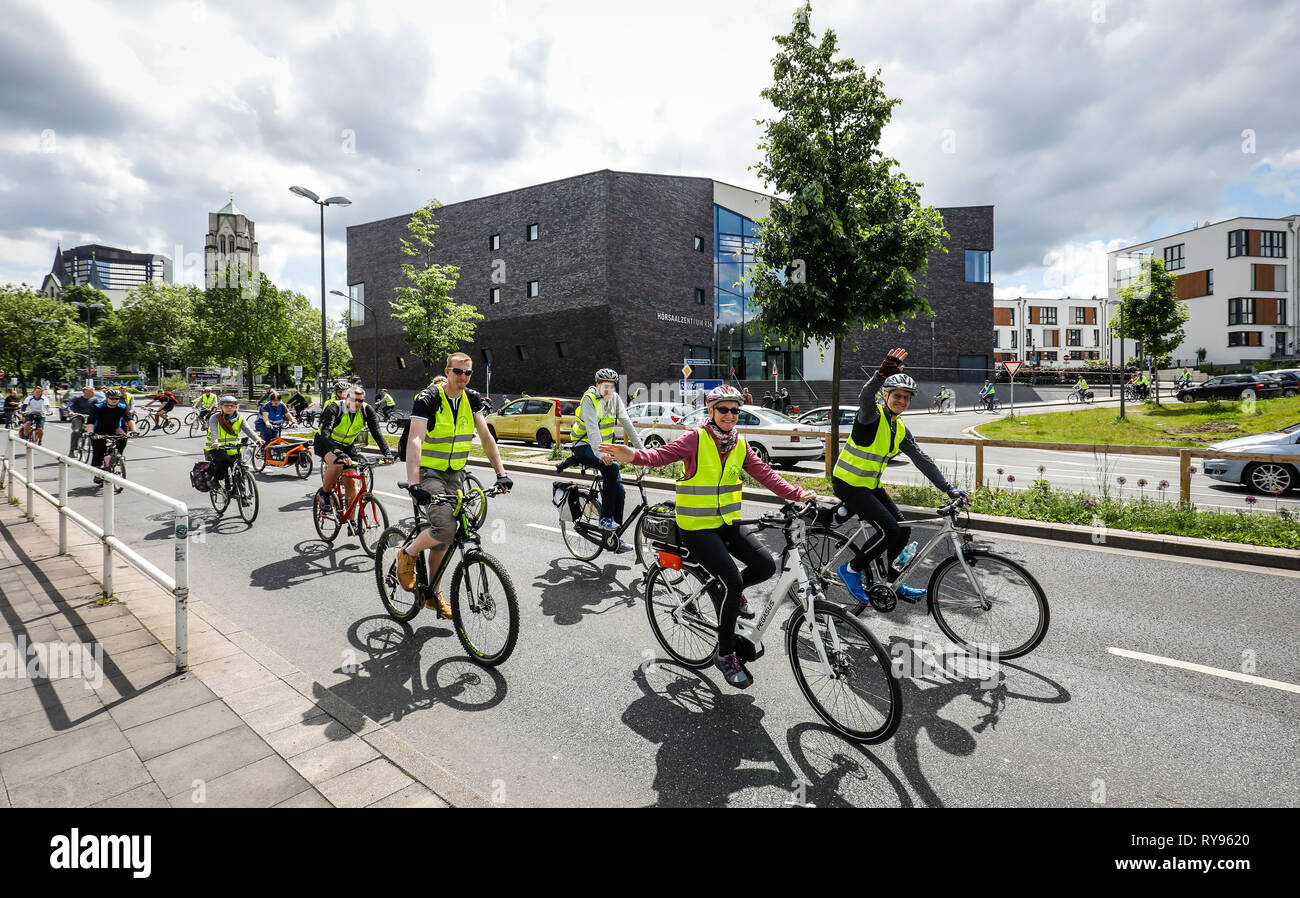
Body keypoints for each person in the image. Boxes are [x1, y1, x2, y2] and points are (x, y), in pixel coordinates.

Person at [602, 384, 816, 689]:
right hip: (697, 527)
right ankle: (725, 653)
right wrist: (631, 455)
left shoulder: (739, 444)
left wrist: (796, 494)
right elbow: (660, 456)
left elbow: (765, 474)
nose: (730, 415)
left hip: (727, 522)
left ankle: (726, 590)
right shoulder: (695, 438)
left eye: (735, 410)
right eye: (724, 409)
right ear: (712, 411)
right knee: (733, 581)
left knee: (766, 566)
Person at [832, 349, 969, 605]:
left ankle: (893, 582)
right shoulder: (872, 416)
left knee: (902, 531)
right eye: (897, 396)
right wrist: (881, 374)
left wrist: (949, 489)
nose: (902, 401)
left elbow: (921, 460)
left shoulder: (900, 428)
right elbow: (865, 395)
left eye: (906, 398)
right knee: (889, 530)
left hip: (870, 485)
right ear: (886, 396)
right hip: (848, 484)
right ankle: (850, 570)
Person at [398, 352, 513, 618]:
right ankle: (407, 552)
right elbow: (415, 440)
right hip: (429, 472)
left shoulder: (471, 399)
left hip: (456, 474)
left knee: (446, 540)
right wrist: (415, 484)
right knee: (445, 528)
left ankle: (431, 592)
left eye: (468, 373)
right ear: (447, 372)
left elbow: (486, 437)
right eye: (458, 372)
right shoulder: (428, 399)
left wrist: (501, 473)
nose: (463, 377)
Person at [569, 367, 645, 551]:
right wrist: (602, 455)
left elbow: (627, 423)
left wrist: (643, 452)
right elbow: (593, 431)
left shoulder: (615, 399)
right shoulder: (589, 400)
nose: (609, 390)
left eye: (612, 386)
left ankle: (614, 537)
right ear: (597, 385)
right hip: (583, 446)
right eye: (605, 386)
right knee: (612, 469)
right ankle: (604, 518)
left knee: (620, 492)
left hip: (602, 447)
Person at [314, 384, 391, 515]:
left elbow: (376, 432)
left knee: (351, 481)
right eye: (354, 399)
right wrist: (337, 451)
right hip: (326, 443)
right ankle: (324, 493)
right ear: (346, 398)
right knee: (337, 464)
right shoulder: (335, 407)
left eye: (360, 400)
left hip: (347, 446)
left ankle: (351, 521)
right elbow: (326, 432)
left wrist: (387, 452)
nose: (357, 403)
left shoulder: (367, 410)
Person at [204, 395, 262, 488]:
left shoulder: (240, 418)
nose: (229, 407)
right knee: (225, 461)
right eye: (226, 405)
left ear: (236, 407)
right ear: (221, 407)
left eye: (232, 405)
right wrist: (215, 442)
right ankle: (214, 480)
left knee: (238, 467)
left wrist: (257, 439)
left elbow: (248, 430)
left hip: (234, 447)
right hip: (216, 447)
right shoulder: (215, 418)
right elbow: (214, 431)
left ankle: (239, 491)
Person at [87, 389, 137, 485]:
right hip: (99, 430)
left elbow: (129, 419)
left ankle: (116, 456)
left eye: (117, 398)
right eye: (112, 398)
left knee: (123, 438)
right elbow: (90, 422)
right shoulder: (98, 407)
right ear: (107, 398)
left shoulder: (122, 407)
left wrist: (133, 431)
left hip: (114, 428)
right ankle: (97, 474)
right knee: (99, 451)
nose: (115, 400)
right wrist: (91, 433)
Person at [66, 385, 98, 453]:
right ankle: (72, 450)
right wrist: (71, 411)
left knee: (97, 431)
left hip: (90, 418)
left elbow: (99, 408)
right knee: (76, 431)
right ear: (85, 392)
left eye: (93, 391)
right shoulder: (76, 399)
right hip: (78, 417)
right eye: (91, 391)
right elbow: (70, 406)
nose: (93, 393)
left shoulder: (94, 400)